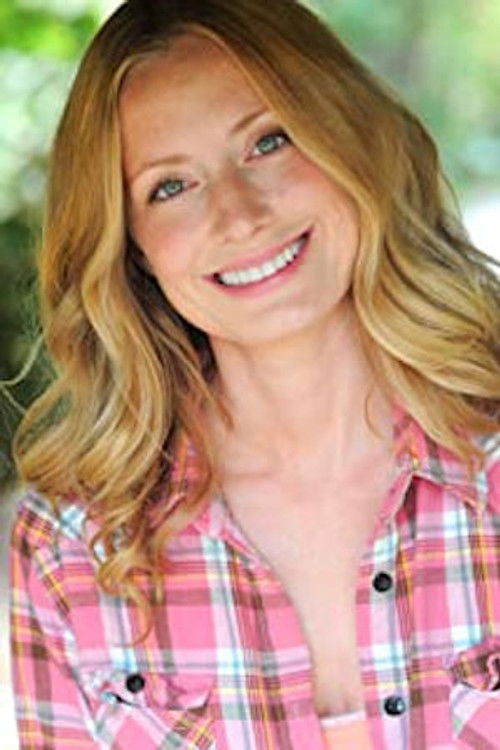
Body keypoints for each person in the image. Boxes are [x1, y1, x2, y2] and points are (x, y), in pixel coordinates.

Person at [9, 0, 500, 748]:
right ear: (134, 248)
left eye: (268, 142)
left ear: (349, 139)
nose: (239, 217)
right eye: (170, 187)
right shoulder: (70, 548)